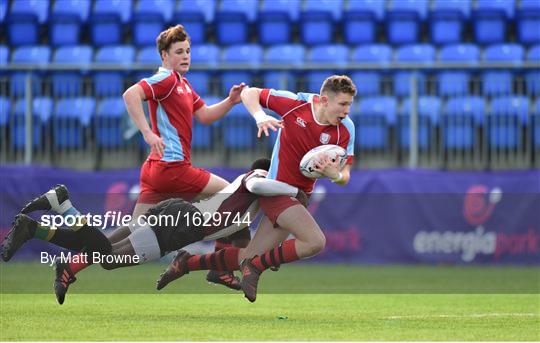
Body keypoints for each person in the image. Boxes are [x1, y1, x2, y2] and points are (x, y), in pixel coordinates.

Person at [157, 75, 357, 302]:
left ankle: (186, 262)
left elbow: (345, 176)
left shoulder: (346, 129)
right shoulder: (295, 105)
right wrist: (260, 116)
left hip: (299, 197)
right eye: (343, 104)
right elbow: (248, 93)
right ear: (323, 100)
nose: (347, 110)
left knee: (248, 255)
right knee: (314, 242)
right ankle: (257, 265)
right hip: (276, 190)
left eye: (350, 104)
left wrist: (335, 175)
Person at [1, 159, 308, 304]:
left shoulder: (243, 211)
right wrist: (294, 188)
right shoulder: (256, 177)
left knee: (104, 247)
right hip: (181, 225)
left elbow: (239, 247)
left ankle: (35, 229)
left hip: (178, 215)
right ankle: (62, 204)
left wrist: (232, 269)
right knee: (107, 257)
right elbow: (257, 184)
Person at [119, 24, 250, 288]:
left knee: (130, 239)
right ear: (164, 56)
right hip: (173, 168)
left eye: (188, 51)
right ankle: (219, 268)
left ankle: (76, 259)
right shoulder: (166, 79)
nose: (186, 56)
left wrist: (230, 100)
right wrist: (146, 132)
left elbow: (205, 115)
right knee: (231, 197)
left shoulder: (183, 84)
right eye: (179, 52)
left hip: (155, 169)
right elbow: (130, 94)